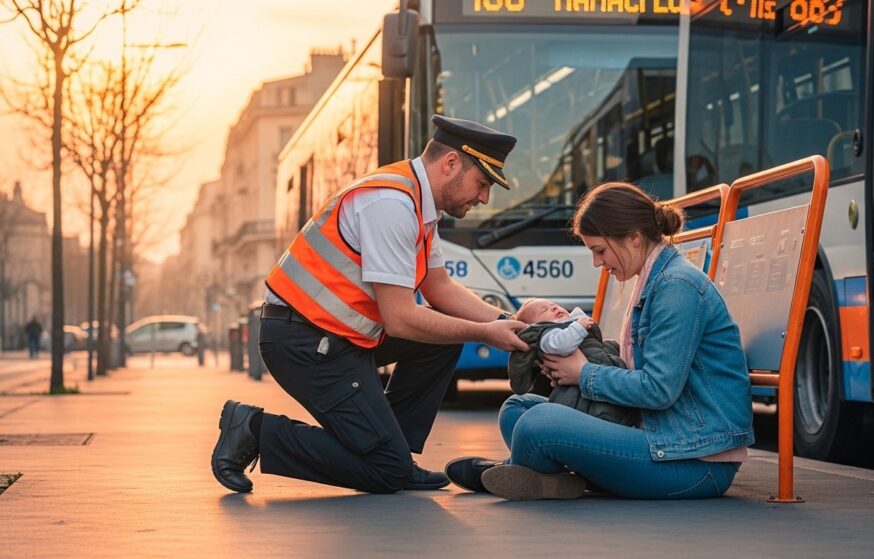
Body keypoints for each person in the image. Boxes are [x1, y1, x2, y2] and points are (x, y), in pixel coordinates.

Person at [211, 115, 530, 494]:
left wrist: (509, 321)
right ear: (450, 164)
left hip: (336, 334)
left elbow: (438, 287)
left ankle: (390, 446)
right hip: (303, 342)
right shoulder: (391, 206)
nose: (483, 198)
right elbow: (400, 320)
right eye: (482, 183)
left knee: (443, 342)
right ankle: (253, 429)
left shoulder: (418, 204)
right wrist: (486, 334)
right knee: (384, 471)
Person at [446, 182, 754, 500]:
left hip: (692, 462)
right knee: (519, 409)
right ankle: (538, 478)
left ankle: (517, 473)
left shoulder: (677, 287)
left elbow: (659, 389)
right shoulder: (655, 280)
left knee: (538, 423)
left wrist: (582, 373)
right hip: (657, 435)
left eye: (600, 250)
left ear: (634, 237)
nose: (597, 263)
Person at [506, 299, 637, 427]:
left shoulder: (569, 326)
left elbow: (594, 347)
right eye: (544, 311)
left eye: (554, 305)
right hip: (579, 393)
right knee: (591, 410)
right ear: (535, 326)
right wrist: (579, 326)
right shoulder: (547, 335)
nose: (554, 308)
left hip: (599, 376)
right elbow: (562, 344)